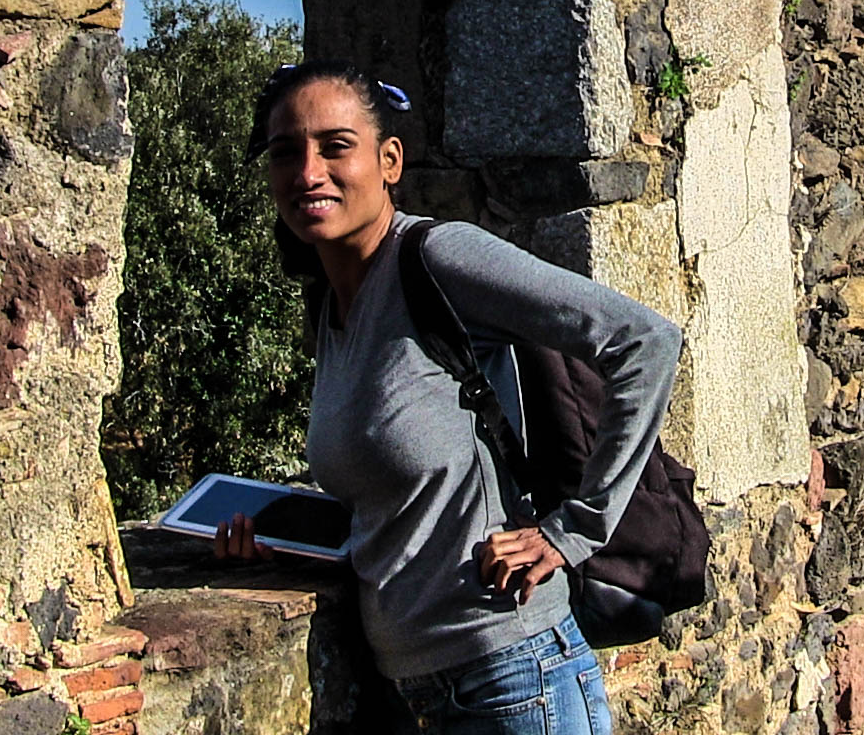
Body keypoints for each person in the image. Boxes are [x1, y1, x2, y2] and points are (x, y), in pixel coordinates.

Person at [216, 59, 682, 735]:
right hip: (418, 694)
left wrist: (573, 530)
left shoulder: (439, 258)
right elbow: (397, 504)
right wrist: (288, 545)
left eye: (335, 147)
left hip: (515, 679)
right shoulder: (331, 308)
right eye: (287, 151)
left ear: (390, 161)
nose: (309, 171)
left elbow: (646, 340)